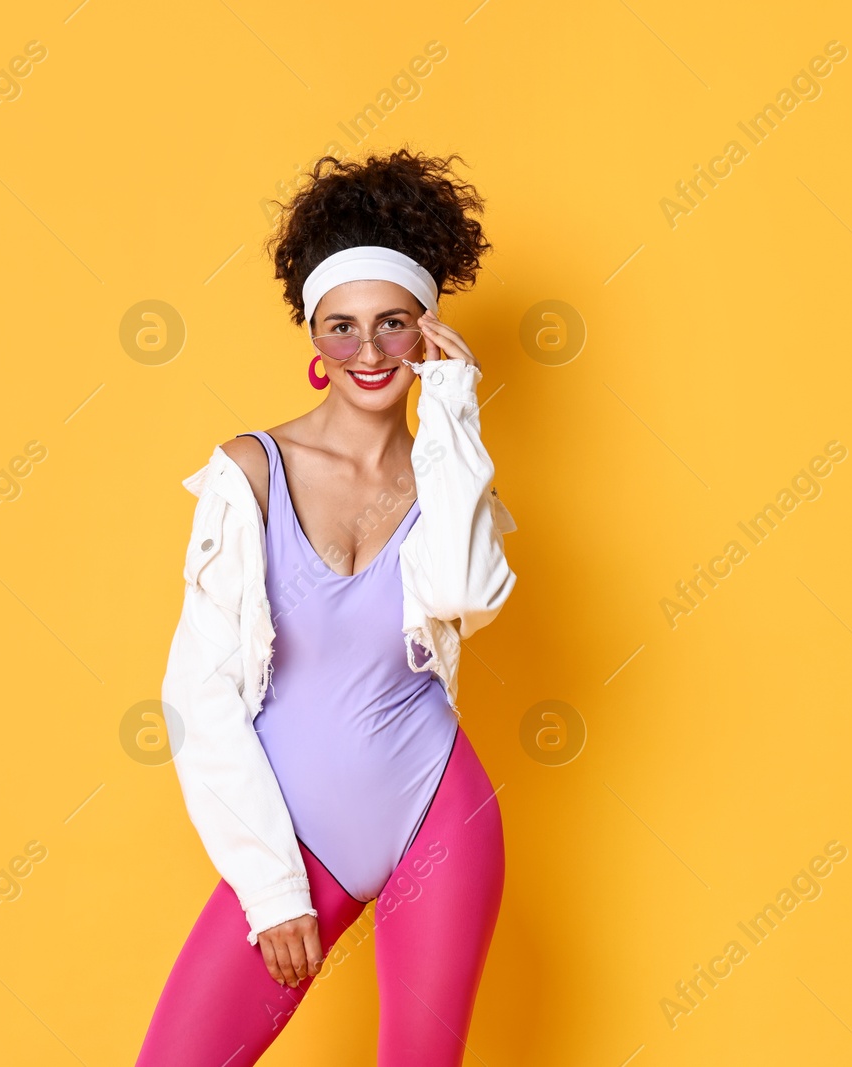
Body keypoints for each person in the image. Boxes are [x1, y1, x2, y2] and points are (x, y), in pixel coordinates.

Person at [138, 148, 518, 1066]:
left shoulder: (447, 484)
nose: (370, 352)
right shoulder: (250, 475)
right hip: (295, 836)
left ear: (424, 332)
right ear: (314, 340)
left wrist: (457, 411)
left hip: (439, 810)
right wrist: (272, 890)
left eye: (394, 325)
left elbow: (468, 596)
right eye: (341, 328)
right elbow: (199, 694)